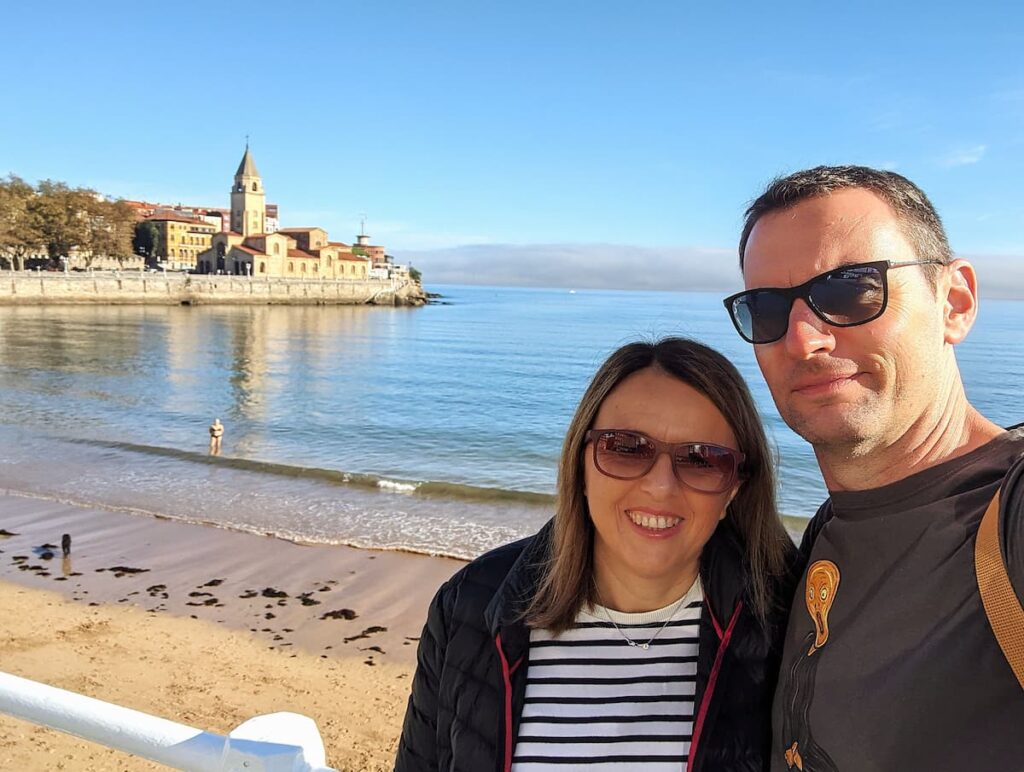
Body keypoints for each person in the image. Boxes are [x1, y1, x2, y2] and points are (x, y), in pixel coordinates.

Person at [724, 165, 1024, 771]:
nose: (803, 339)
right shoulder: (827, 536)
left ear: (955, 303)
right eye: (766, 308)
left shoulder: (1010, 515)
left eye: (850, 290)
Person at [395, 337, 798, 772]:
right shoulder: (469, 608)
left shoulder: (785, 626)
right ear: (581, 465)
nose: (660, 487)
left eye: (702, 459)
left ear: (735, 489)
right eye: (625, 447)